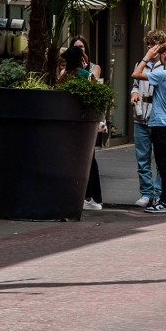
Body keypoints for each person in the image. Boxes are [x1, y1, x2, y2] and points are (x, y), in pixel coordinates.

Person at [131, 41, 166, 214]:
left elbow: (135, 74)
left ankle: (165, 202)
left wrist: (146, 58)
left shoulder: (163, 74)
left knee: (163, 165)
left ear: (165, 56)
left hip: (160, 123)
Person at [59, 46, 103, 210]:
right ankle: (93, 197)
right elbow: (96, 90)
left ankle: (74, 195)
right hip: (84, 124)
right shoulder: (85, 75)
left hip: (67, 124)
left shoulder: (64, 77)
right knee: (88, 160)